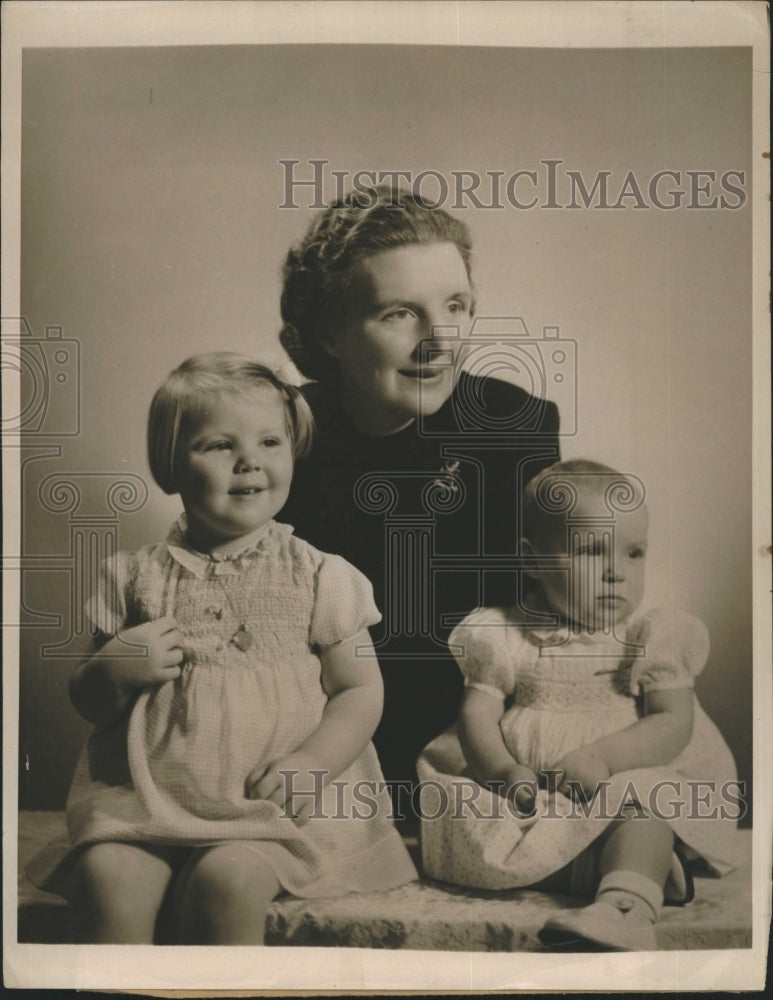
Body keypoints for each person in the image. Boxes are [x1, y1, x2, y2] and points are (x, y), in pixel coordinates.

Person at [28, 352, 416, 944]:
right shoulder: (133, 577)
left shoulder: (320, 575)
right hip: (147, 801)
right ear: (171, 466)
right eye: (218, 445)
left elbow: (360, 690)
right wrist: (112, 667)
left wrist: (314, 765)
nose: (249, 462)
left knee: (226, 883)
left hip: (276, 810)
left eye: (269, 442)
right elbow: (89, 699)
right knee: (110, 877)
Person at [279, 185, 560, 809]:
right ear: (328, 332)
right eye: (398, 313)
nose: (439, 341)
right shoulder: (279, 435)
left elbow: (540, 623)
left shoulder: (516, 424)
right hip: (321, 740)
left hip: (480, 736)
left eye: (455, 306)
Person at [417, 460, 739, 951]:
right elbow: (476, 715)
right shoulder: (504, 633)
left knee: (645, 804)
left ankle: (625, 908)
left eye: (634, 553)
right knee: (469, 817)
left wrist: (603, 759)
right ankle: (631, 869)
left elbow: (673, 722)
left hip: (618, 779)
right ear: (533, 560)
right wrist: (501, 770)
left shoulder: (650, 635)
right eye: (592, 551)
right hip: (531, 792)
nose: (616, 573)